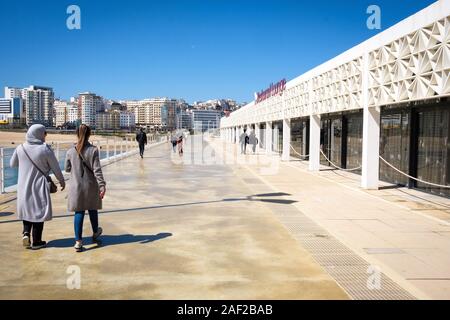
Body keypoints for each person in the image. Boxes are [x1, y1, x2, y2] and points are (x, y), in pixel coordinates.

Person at [10, 124, 66, 250]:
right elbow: (56, 167)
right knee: (39, 212)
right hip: (39, 185)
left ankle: (26, 233)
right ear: (39, 134)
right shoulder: (45, 149)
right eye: (44, 134)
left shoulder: (20, 148)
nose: (45, 136)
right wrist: (62, 181)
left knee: (27, 210)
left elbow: (12, 164)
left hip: (23, 186)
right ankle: (36, 241)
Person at [65, 124, 106, 252]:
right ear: (89, 134)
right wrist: (102, 185)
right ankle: (95, 232)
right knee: (92, 209)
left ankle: (78, 242)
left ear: (77, 134)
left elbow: (67, 169)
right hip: (90, 185)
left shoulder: (70, 151)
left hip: (76, 186)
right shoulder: (93, 150)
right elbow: (97, 170)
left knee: (79, 212)